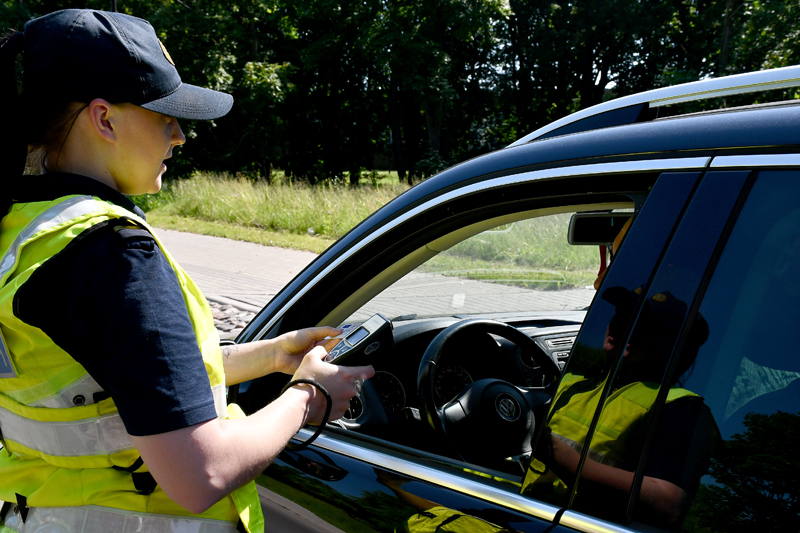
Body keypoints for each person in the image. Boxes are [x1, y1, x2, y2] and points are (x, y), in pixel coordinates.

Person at [0, 9, 373, 533]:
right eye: (163, 114)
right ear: (103, 118)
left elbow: (108, 377)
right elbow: (201, 472)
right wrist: (309, 395)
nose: (179, 136)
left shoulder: (25, 229)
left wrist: (269, 355)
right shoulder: (114, 254)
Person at [522, 286, 718, 528]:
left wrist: (558, 454)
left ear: (669, 346)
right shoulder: (573, 384)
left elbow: (669, 504)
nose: (619, 325)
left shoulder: (680, 408)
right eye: (620, 314)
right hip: (529, 516)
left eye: (640, 323)